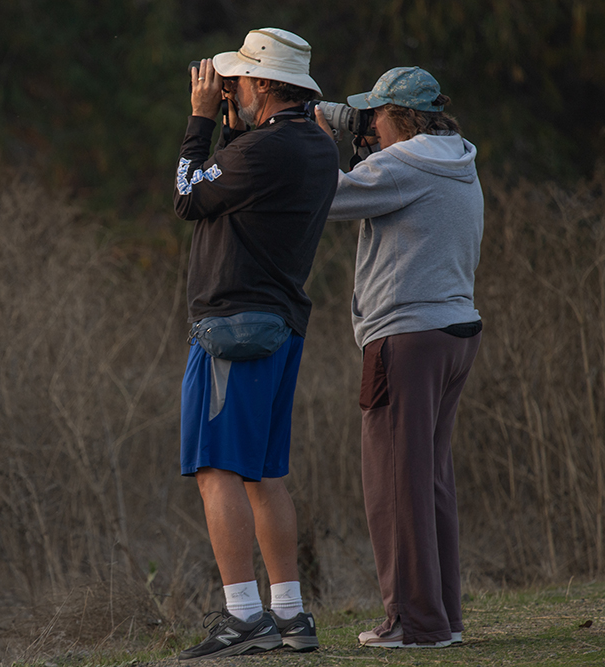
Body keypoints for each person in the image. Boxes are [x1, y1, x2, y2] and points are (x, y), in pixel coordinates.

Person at [173, 28, 338, 660]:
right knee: (264, 474)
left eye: (237, 81)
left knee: (217, 468)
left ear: (264, 84)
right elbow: (235, 177)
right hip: (280, 322)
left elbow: (189, 195)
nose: (226, 91)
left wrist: (198, 121)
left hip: (233, 326)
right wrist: (232, 123)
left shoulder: (263, 151)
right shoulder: (312, 146)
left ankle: (243, 615)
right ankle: (290, 614)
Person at [314, 66, 483, 648]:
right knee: (429, 479)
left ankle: (414, 623)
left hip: (406, 338)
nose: (369, 128)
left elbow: (321, 197)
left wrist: (314, 137)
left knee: (393, 481)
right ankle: (443, 616)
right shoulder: (458, 156)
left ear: (402, 117)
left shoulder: (402, 164)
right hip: (456, 332)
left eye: (375, 116)